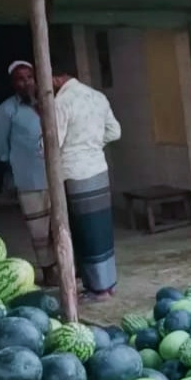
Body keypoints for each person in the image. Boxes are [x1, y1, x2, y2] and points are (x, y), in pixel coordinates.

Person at [51, 64, 121, 301]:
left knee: (85, 231)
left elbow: (52, 143)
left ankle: (97, 289)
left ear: (57, 78)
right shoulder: (97, 96)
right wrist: (92, 145)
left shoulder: (61, 102)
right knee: (101, 228)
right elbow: (115, 131)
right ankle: (109, 284)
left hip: (75, 173)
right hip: (98, 169)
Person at [0, 61, 57, 286]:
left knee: (59, 225)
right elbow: (0, 145)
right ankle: (48, 271)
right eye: (20, 79)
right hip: (29, 179)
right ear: (13, 83)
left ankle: (65, 264)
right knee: (39, 229)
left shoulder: (48, 103)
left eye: (29, 77)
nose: (26, 82)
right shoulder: (6, 110)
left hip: (56, 177)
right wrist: (16, 163)